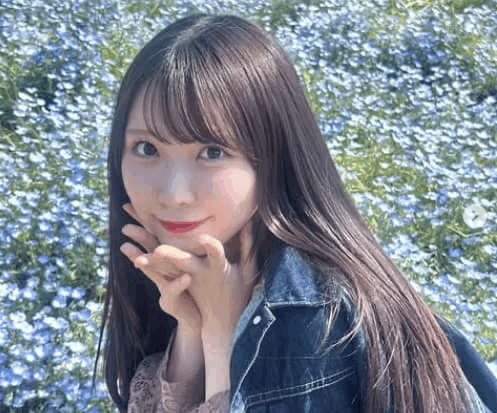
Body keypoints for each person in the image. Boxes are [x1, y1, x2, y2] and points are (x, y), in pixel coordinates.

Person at [92, 13, 497, 413]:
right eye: (147, 149)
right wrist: (193, 328)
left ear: (272, 157)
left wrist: (219, 334)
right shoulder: (191, 273)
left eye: (212, 152)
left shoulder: (312, 324)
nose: (174, 194)